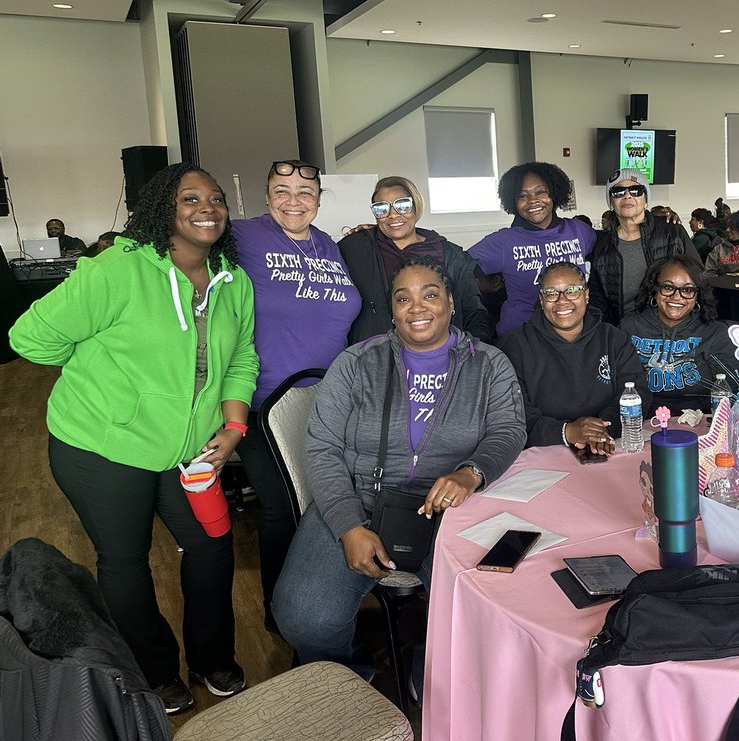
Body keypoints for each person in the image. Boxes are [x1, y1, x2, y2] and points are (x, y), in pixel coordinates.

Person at [10, 164, 258, 714]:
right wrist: (110, 386)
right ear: (162, 208)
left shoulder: (231, 277)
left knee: (212, 548)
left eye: (216, 198)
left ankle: (212, 659)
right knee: (125, 561)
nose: (207, 207)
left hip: (187, 450)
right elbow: (29, 337)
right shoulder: (116, 269)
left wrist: (234, 426)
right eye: (190, 198)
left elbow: (242, 357)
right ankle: (155, 673)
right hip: (102, 446)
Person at [272, 258, 525, 678]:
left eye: (429, 294)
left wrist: (471, 472)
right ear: (391, 310)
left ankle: (433, 667)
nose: (417, 307)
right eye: (402, 298)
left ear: (449, 302)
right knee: (304, 616)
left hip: (450, 510)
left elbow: (509, 429)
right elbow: (323, 447)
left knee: (494, 607)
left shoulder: (490, 365)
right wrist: (348, 525)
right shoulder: (355, 363)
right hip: (359, 498)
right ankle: (347, 675)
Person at [230, 159, 362, 630]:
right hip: (267, 401)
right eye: (281, 190)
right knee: (283, 508)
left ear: (320, 200)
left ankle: (327, 595)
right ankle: (279, 611)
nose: (293, 200)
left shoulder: (332, 246)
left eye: (305, 192)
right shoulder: (243, 236)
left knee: (332, 501)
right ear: (265, 197)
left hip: (332, 402)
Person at [499, 261, 648, 453]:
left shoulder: (613, 338)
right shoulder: (515, 346)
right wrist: (567, 431)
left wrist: (600, 430)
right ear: (541, 300)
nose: (562, 301)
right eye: (551, 293)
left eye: (572, 291)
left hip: (610, 442)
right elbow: (513, 415)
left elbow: (637, 389)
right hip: (544, 454)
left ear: (586, 295)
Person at [342, 175, 490, 344]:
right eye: (381, 208)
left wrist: (474, 356)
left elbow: (473, 312)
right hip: (373, 360)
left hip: (440, 359)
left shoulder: (450, 255)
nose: (392, 215)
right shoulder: (355, 248)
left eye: (403, 205)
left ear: (416, 206)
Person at [469, 162, 595, 336]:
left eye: (540, 192)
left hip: (573, 333)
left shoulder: (580, 231)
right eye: (522, 196)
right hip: (520, 336)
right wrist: (485, 286)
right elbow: (458, 269)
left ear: (554, 193)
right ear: (513, 201)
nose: (533, 200)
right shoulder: (503, 241)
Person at [620, 255, 737, 413]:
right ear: (655, 288)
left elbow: (727, 395)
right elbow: (618, 387)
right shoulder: (629, 327)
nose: (676, 297)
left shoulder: (716, 333)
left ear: (698, 295)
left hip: (699, 423)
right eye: (668, 287)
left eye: (687, 290)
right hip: (639, 421)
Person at [589, 168, 698, 324]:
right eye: (618, 192)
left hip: (674, 327)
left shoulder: (672, 232)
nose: (627, 196)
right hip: (626, 332)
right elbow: (598, 301)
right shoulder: (602, 247)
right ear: (611, 203)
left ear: (646, 200)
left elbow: (699, 281)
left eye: (636, 190)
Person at [703, 210, 739, 276]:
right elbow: (709, 272)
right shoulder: (718, 250)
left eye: (732, 228)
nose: (727, 230)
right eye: (727, 227)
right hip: (723, 285)